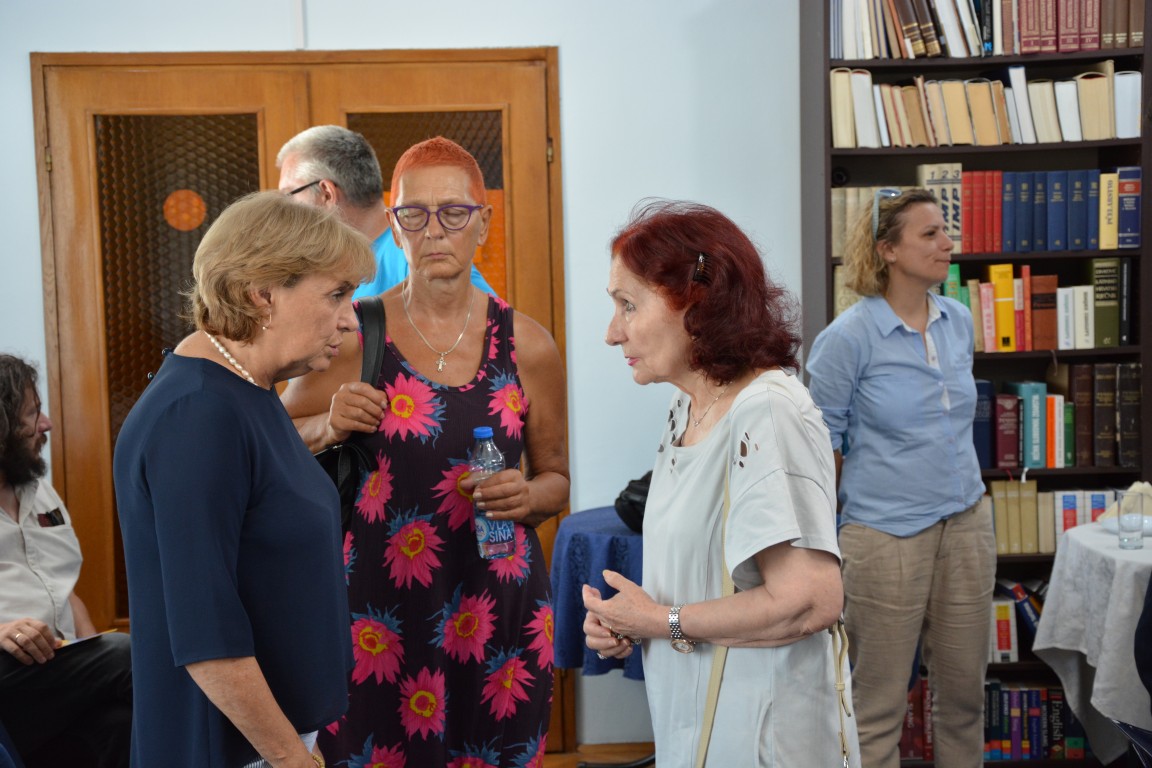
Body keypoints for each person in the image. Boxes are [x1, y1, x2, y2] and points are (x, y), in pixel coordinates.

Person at [281, 136, 569, 766]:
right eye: (414, 214)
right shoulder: (352, 334)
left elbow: (556, 478)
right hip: (377, 614)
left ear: (483, 223)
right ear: (393, 226)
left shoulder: (528, 345)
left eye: (454, 213)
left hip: (496, 608)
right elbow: (271, 441)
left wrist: (526, 497)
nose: (434, 230)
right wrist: (327, 425)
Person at [583, 200, 859, 768]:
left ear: (696, 303)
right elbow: (702, 580)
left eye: (628, 305)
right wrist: (633, 620)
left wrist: (660, 621)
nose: (612, 333)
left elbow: (810, 600)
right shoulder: (686, 408)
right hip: (697, 723)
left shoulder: (768, 413)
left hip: (764, 737)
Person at [112, 192, 374, 767]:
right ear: (262, 293)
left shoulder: (248, 391)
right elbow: (207, 636)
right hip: (231, 747)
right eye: (336, 294)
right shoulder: (198, 413)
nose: (349, 318)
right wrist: (290, 758)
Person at [806, 188, 993, 768]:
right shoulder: (847, 338)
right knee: (877, 706)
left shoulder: (958, 321)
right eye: (930, 234)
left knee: (964, 699)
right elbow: (820, 449)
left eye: (945, 230)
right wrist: (820, 543)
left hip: (967, 525)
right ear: (887, 250)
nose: (947, 243)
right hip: (884, 538)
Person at [0, 354, 132, 768]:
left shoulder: (40, 491)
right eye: (32, 413)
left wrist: (94, 649)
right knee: (128, 654)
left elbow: (63, 590)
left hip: (55, 671)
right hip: (8, 673)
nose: (47, 424)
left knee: (122, 723)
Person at [277, 124, 495, 299]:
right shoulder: (346, 264)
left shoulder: (421, 255)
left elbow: (488, 329)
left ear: (326, 193)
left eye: (289, 194)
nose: (285, 210)